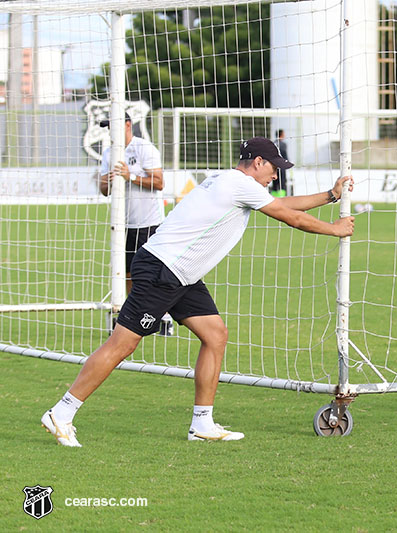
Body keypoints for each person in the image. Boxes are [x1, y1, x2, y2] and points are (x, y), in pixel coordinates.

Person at [41, 137, 355, 446]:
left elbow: (281, 205)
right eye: (273, 168)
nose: (275, 175)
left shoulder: (233, 183)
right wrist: (335, 229)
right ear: (257, 163)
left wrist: (330, 195)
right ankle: (61, 413)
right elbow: (292, 218)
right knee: (122, 345)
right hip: (163, 270)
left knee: (215, 334)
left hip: (182, 275)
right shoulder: (239, 184)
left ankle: (202, 424)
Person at [98, 113, 173, 335]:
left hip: (148, 222)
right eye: (108, 127)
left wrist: (130, 176)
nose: (110, 131)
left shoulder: (144, 148)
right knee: (127, 272)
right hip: (122, 225)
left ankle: (164, 317)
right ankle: (135, 316)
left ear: (128, 125)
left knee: (153, 273)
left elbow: (159, 183)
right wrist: (109, 180)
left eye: (113, 126)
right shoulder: (109, 153)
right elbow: (103, 191)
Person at [271, 129, 289, 198]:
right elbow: (285, 156)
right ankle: (282, 197)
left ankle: (274, 196)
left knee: (275, 182)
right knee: (282, 182)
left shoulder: (273, 143)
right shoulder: (283, 144)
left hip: (274, 167)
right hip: (281, 167)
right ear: (281, 134)